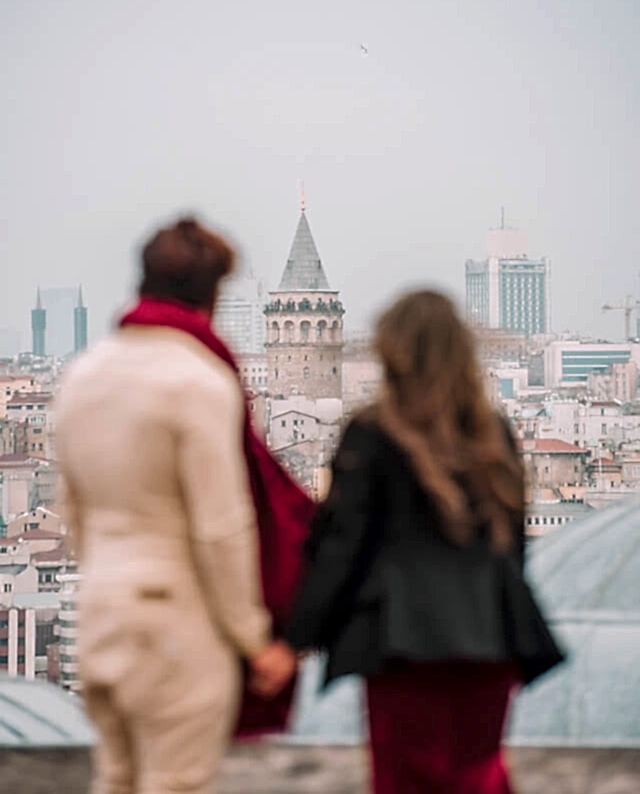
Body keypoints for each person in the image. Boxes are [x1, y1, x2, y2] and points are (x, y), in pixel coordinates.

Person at [56, 218, 300, 794]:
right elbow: (222, 527)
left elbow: (74, 510)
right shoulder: (198, 381)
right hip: (175, 626)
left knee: (115, 781)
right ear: (213, 293)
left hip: (100, 614)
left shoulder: (81, 377)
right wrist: (253, 637)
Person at [286, 290, 564, 794]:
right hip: (487, 639)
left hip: (403, 642)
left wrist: (294, 639)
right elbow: (513, 548)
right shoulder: (490, 432)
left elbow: (341, 548)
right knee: (476, 774)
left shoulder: (372, 434)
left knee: (407, 777)